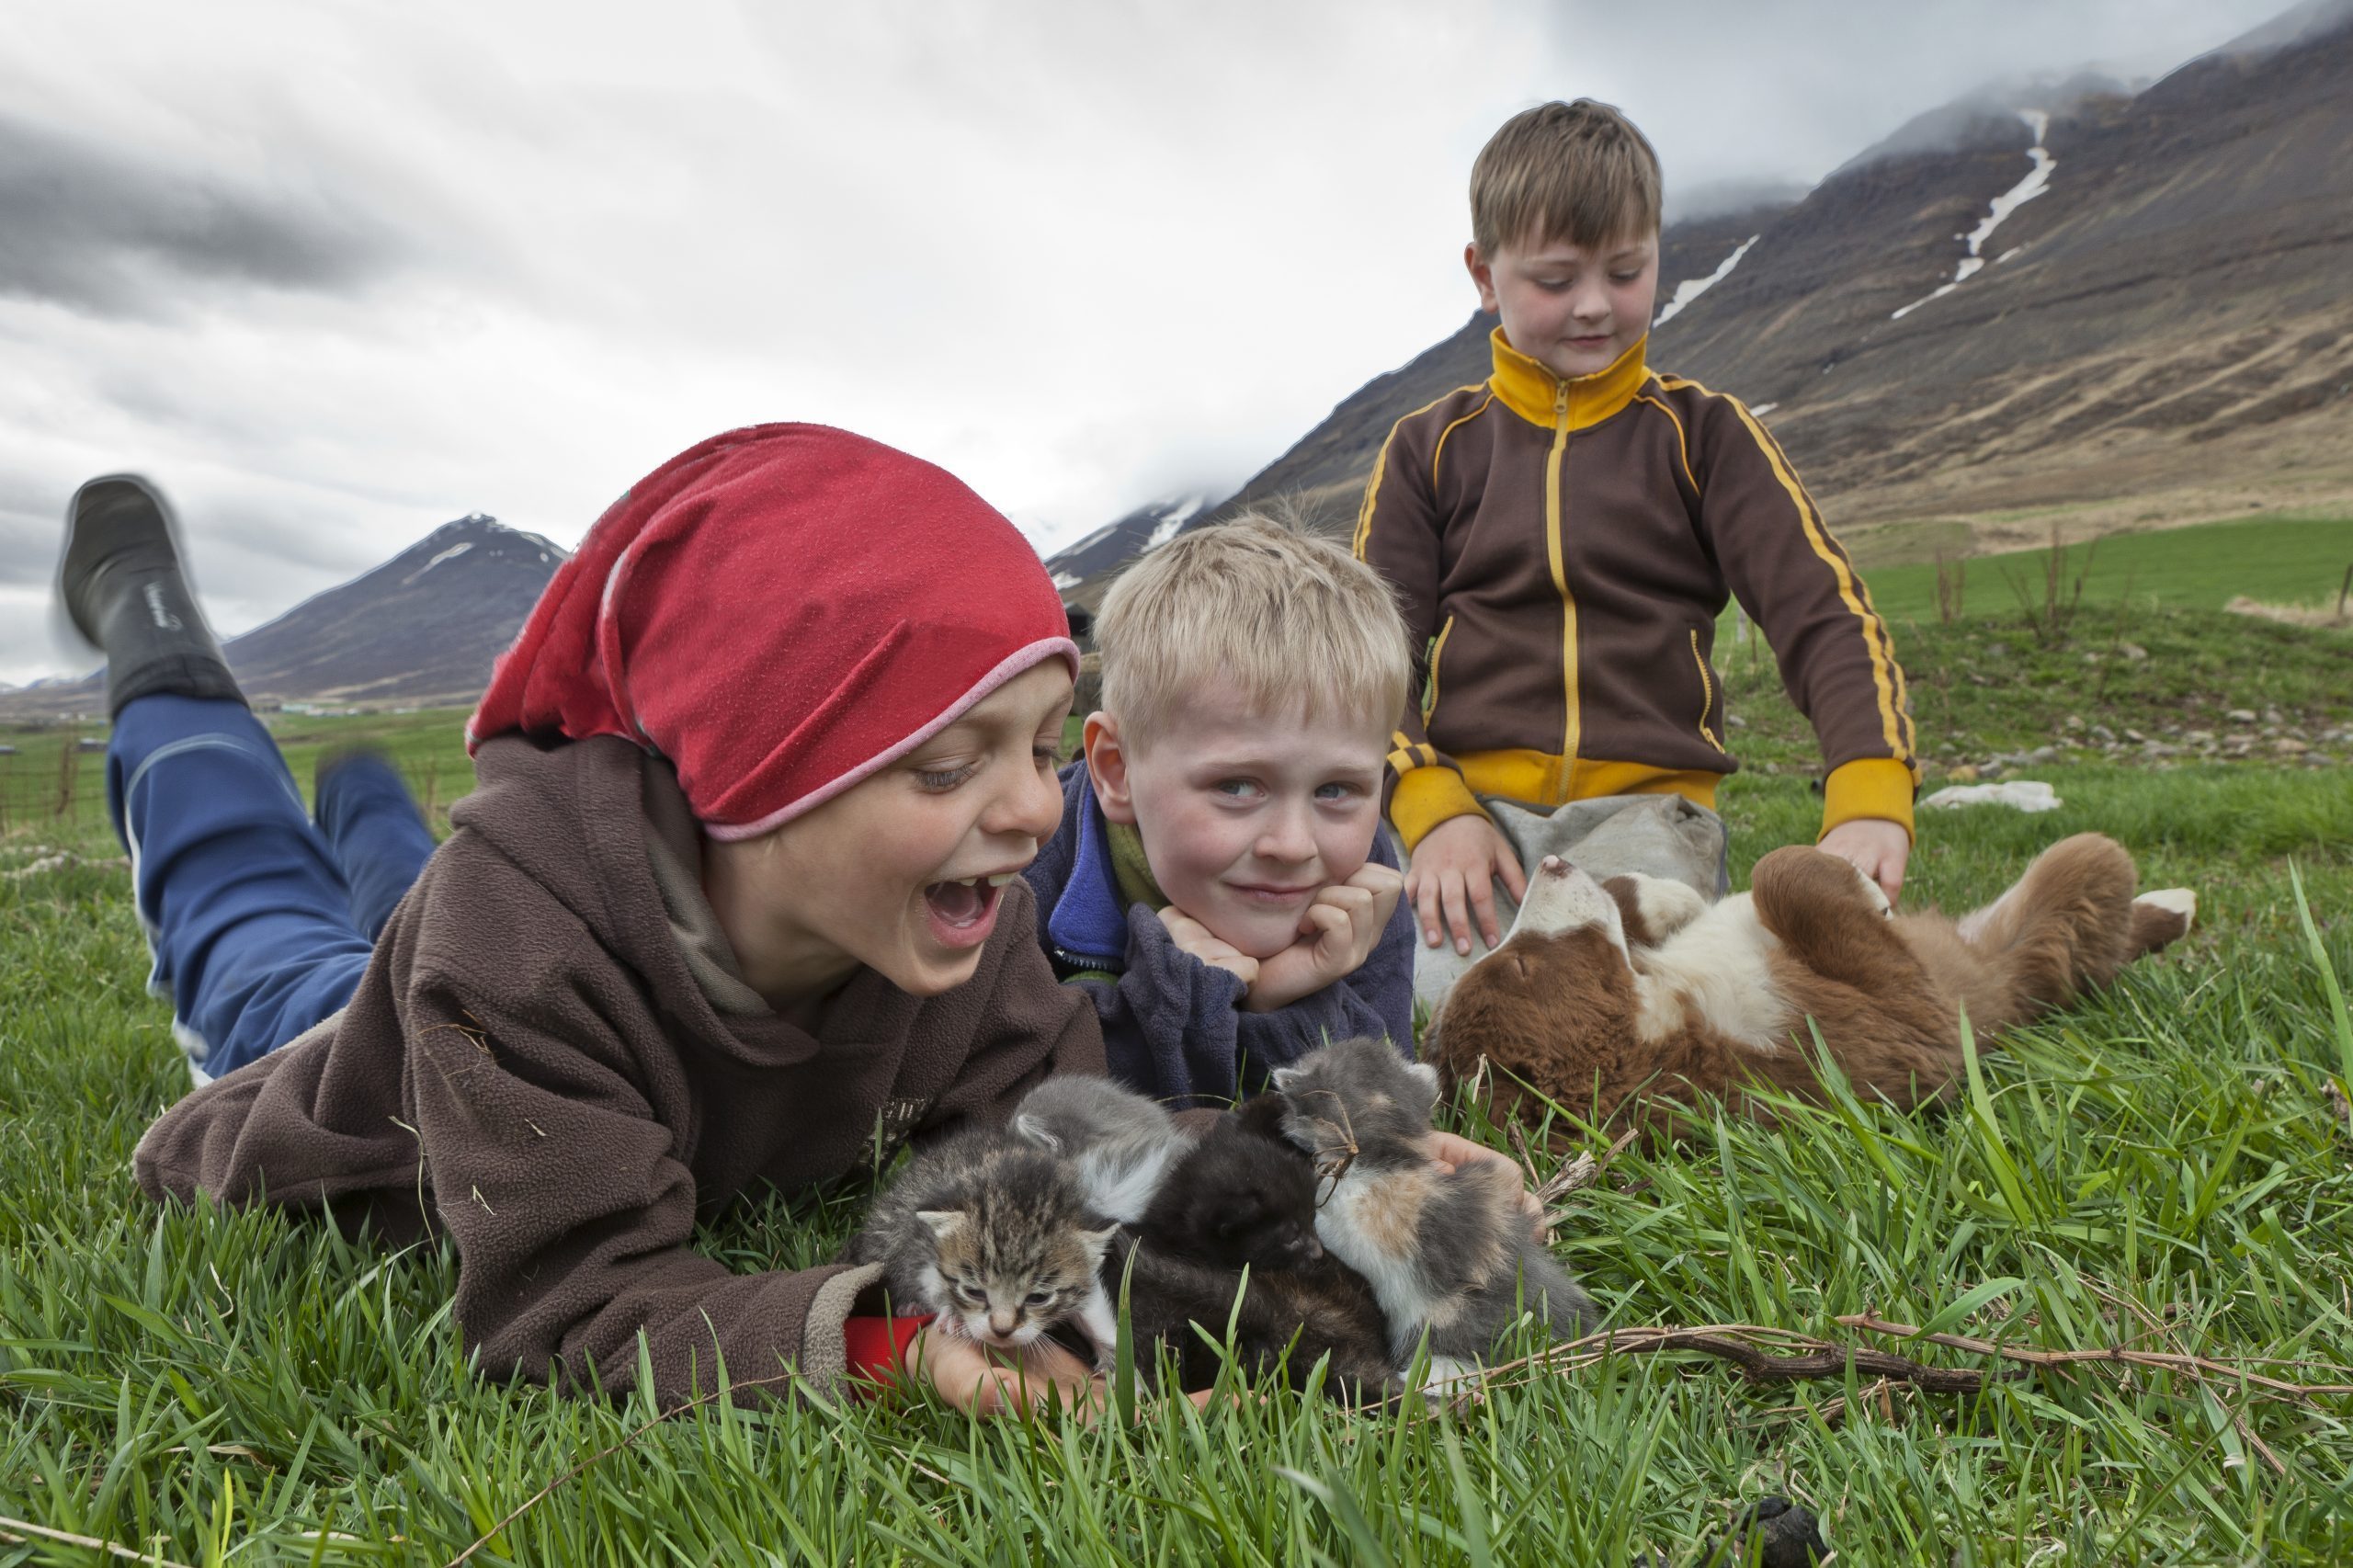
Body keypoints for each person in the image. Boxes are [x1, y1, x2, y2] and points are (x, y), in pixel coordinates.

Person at [66, 426, 1116, 1417]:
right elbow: (576, 1300)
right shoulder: (516, 948)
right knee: (250, 906)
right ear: (755, 778)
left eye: (1040, 748)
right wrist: (887, 1347)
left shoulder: (967, 921)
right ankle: (148, 626)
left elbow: (1064, 1161)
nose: (1034, 809)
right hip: (339, 1042)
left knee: (420, 903)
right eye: (946, 766)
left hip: (480, 947)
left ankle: (363, 801)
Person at [1354, 99, 1920, 971]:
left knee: (1616, 993)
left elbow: (1825, 617)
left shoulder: (1709, 436)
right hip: (1472, 815)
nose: (1594, 307)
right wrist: (1431, 803)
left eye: (1626, 272)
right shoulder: (1428, 448)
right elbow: (1367, 659)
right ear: (1482, 273)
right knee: (1422, 995)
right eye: (1554, 279)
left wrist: (1870, 788)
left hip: (1653, 819)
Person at [1023, 514, 1415, 1106]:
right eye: (1237, 786)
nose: (1293, 845)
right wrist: (1179, 996)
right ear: (1117, 770)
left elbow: (1378, 1110)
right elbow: (1029, 1112)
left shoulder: (1364, 882)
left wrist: (1283, 999)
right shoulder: (1028, 869)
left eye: (1335, 790)